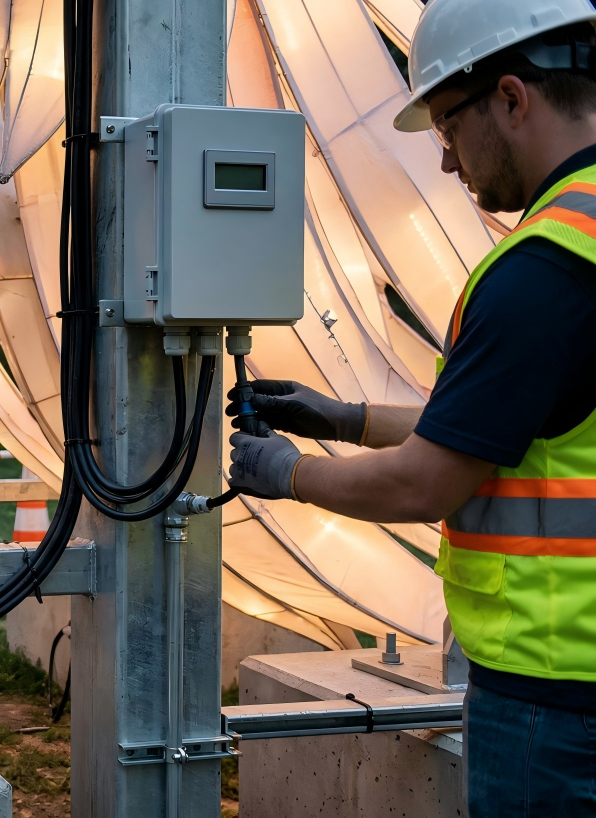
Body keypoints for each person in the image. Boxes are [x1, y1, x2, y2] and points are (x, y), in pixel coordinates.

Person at [225, 2, 596, 813]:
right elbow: (522, 426)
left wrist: (287, 474)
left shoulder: (543, 269)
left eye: (448, 127)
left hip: (556, 700)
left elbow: (425, 484)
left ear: (511, 98)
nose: (447, 164)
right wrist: (347, 419)